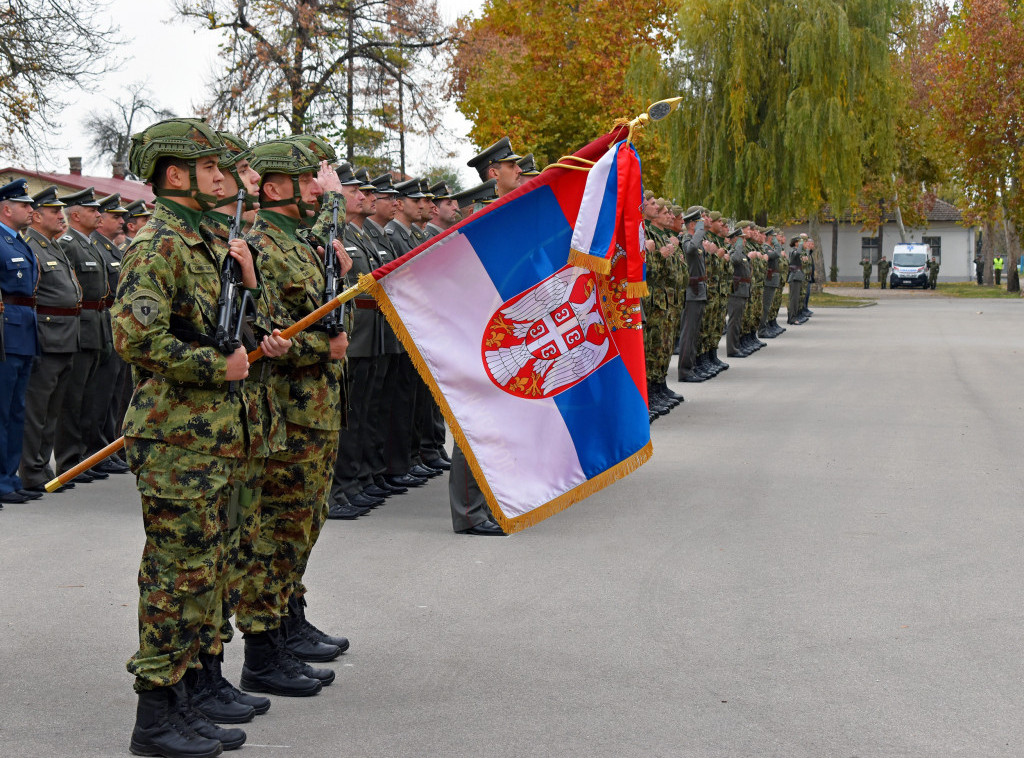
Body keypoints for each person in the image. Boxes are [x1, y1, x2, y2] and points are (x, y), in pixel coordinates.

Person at [115, 117, 272, 756]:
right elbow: (136, 338)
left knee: (207, 571)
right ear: (175, 175)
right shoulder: (158, 244)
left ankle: (191, 692)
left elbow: (224, 325)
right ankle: (155, 716)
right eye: (210, 168)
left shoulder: (202, 241)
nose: (223, 178)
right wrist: (215, 366)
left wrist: (250, 290)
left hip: (213, 436)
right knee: (175, 577)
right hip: (176, 442)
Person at [19, 186, 82, 495]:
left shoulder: (53, 246)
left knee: (52, 410)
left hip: (66, 335)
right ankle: (30, 470)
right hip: (47, 336)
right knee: (36, 410)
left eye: (61, 210)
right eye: (55, 211)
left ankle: (43, 466)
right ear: (36, 216)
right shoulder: (31, 246)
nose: (61, 215)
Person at [54, 187, 110, 484]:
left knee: (91, 398)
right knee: (72, 400)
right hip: (80, 327)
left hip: (97, 326)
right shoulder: (69, 245)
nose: (98, 214)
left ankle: (85, 458)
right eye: (92, 210)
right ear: (75, 215)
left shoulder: (90, 244)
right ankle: (68, 461)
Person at [83, 193, 132, 475]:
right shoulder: (93, 247)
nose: (121, 221)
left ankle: (106, 448)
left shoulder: (110, 249)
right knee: (98, 395)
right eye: (115, 216)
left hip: (112, 324)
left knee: (113, 395)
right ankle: (93, 452)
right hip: (98, 325)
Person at [0, 179, 40, 506]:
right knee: (1, 411)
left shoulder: (18, 242)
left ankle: (10, 478)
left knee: (16, 411)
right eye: (25, 205)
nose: (31, 209)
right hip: (5, 334)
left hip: (24, 331)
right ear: (6, 209)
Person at [677, 205, 708, 383]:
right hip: (692, 292)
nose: (702, 226)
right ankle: (685, 370)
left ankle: (691, 367)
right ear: (692, 224)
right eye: (699, 222)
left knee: (695, 332)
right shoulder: (687, 239)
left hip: (699, 291)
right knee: (688, 333)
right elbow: (690, 249)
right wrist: (699, 231)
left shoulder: (695, 241)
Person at [726, 222, 751, 357]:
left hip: (742, 291)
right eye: (742, 238)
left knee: (738, 321)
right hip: (736, 291)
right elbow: (735, 259)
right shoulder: (733, 252)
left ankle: (736, 346)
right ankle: (732, 349)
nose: (744, 241)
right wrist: (738, 245)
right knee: (734, 322)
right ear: (735, 239)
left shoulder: (741, 253)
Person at [787, 235, 807, 325]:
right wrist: (801, 245)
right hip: (794, 277)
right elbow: (798, 253)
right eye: (799, 242)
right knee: (793, 299)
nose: (801, 244)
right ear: (796, 243)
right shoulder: (793, 251)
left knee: (796, 299)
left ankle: (793, 317)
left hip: (797, 276)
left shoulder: (797, 251)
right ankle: (792, 318)